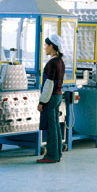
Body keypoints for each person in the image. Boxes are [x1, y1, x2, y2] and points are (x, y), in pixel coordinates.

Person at [36, 33, 65, 163]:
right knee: (56, 126)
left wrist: (41, 102)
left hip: (51, 97)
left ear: (51, 46)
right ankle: (57, 153)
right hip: (58, 96)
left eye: (45, 45)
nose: (44, 48)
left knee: (51, 127)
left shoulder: (51, 63)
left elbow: (48, 85)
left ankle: (51, 156)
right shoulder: (60, 61)